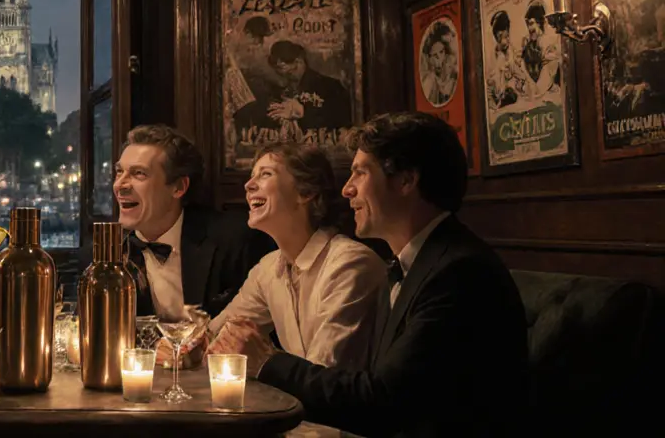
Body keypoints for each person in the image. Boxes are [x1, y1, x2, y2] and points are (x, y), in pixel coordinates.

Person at [221, 112, 528, 437]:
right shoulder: (422, 263)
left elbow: (383, 402)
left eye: (360, 173)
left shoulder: (458, 272)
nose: (346, 190)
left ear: (406, 180)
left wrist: (267, 362)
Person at [207, 142, 387, 370]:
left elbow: (325, 374)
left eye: (265, 174)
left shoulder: (350, 264)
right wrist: (185, 347)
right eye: (253, 176)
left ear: (307, 192)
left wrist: (263, 359)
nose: (248, 185)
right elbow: (216, 336)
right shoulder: (268, 267)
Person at [100, 124, 274, 322]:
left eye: (139, 173)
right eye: (119, 172)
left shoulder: (233, 240)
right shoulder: (108, 255)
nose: (119, 185)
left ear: (178, 187)